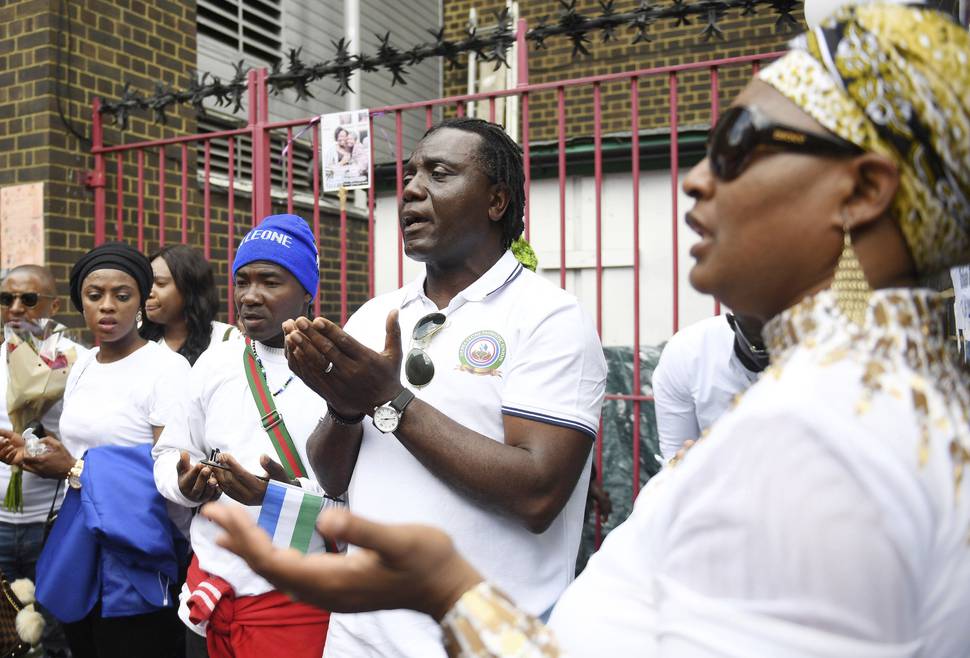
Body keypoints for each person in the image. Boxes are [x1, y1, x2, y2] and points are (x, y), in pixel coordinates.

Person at [203, 5, 970, 656]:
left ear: (863, 191)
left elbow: (540, 492)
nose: (698, 178)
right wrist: (351, 409)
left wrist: (446, 590)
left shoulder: (841, 440)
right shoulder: (834, 402)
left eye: (738, 144)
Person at [280, 117, 606, 657]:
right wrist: (344, 408)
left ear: (496, 201)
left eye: (439, 173)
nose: (411, 189)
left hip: (479, 643)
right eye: (409, 174)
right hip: (359, 638)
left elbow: (538, 493)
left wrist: (388, 399)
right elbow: (333, 477)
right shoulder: (376, 314)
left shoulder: (549, 317)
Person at [0, 242, 191, 658]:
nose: (107, 306)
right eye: (94, 295)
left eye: (122, 295)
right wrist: (31, 450)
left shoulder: (167, 369)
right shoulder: (83, 365)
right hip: (78, 540)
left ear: (140, 301)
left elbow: (172, 473)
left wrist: (73, 469)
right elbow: (78, 448)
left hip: (136, 549)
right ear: (79, 303)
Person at [152, 214, 330, 658]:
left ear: (307, 292)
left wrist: (275, 498)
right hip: (208, 595)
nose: (250, 295)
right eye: (242, 281)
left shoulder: (337, 369)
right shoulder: (215, 363)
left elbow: (357, 501)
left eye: (270, 281)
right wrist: (185, 484)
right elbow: (170, 452)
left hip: (294, 605)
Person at [0, 264, 85, 658]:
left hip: (50, 521)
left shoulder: (78, 361)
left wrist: (34, 444)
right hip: (1, 522)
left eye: (29, 299)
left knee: (55, 632)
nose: (16, 307)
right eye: (7, 298)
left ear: (53, 305)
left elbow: (86, 438)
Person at [653, 313, 766, 460]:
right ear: (732, 322)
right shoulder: (687, 352)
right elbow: (675, 454)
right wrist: (685, 465)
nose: (776, 353)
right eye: (760, 348)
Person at [141, 244, 239, 366]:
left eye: (160, 283)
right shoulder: (137, 342)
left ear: (189, 288)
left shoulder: (228, 339)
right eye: (147, 283)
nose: (149, 292)